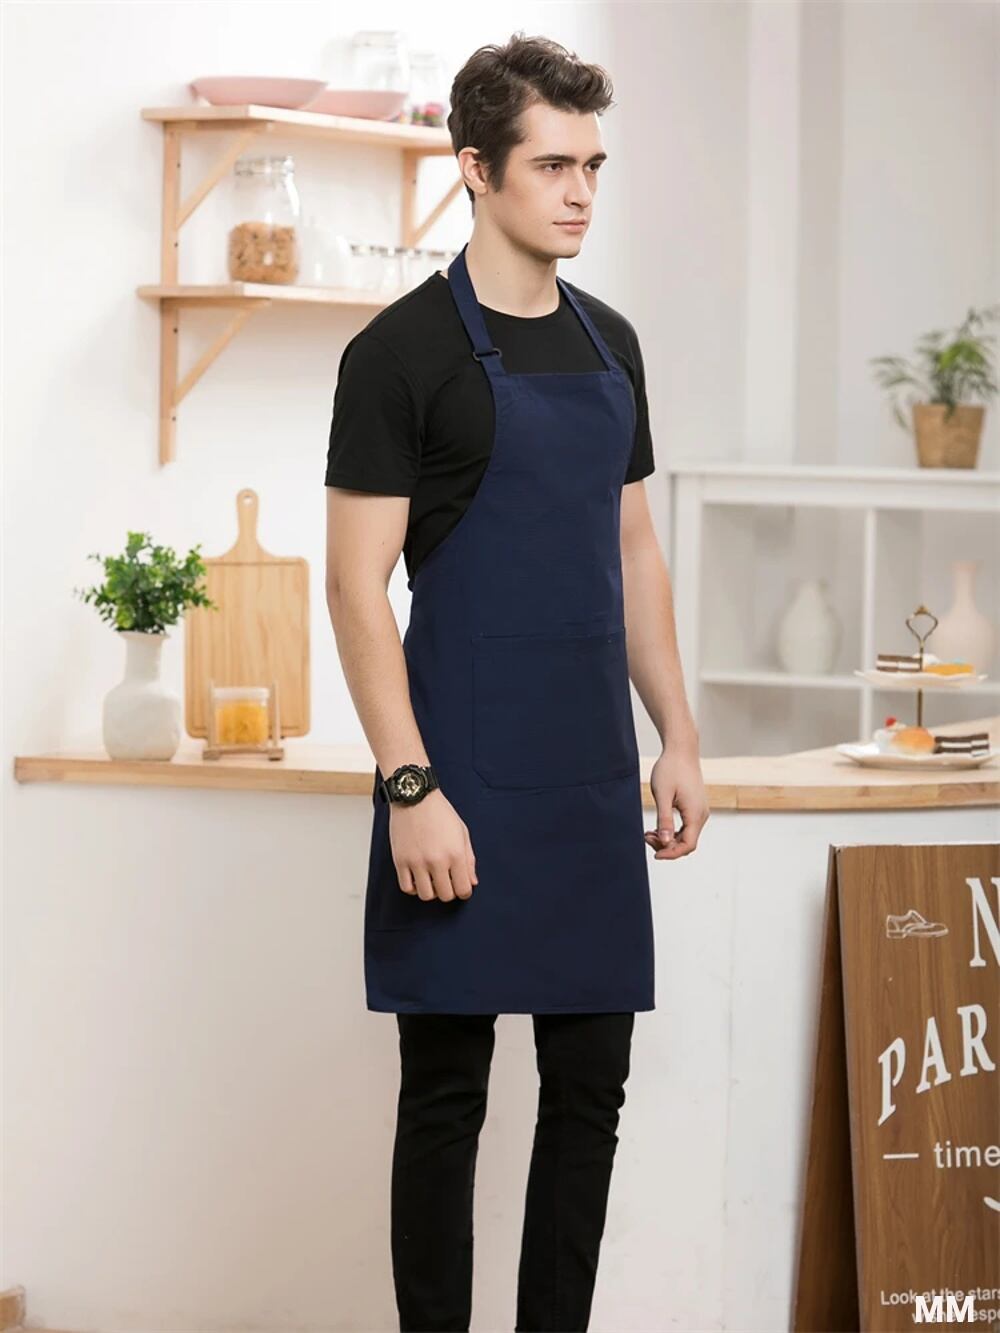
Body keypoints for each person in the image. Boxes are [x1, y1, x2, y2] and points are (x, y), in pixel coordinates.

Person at [324, 31, 709, 1333]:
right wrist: (410, 788)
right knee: (447, 1098)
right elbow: (354, 587)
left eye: (593, 165)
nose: (581, 191)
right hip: (460, 785)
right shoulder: (398, 356)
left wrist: (678, 735)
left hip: (592, 784)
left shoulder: (615, 345)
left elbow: (634, 548)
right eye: (553, 165)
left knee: (591, 1091)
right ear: (477, 169)